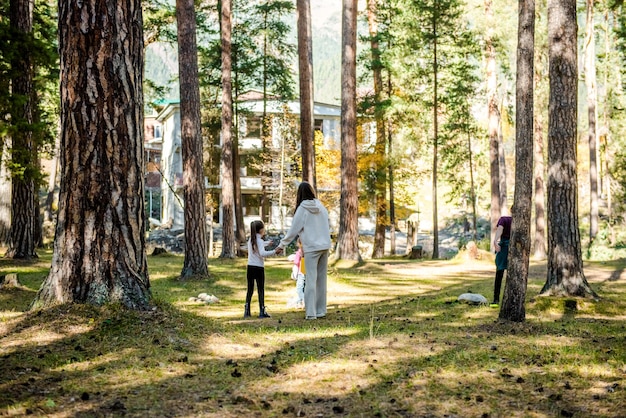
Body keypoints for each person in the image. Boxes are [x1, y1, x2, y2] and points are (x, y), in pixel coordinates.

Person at [276, 182, 331, 320]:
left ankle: (311, 313)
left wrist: (282, 245)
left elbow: (293, 229)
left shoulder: (302, 208)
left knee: (310, 280)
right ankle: (321, 310)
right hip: (324, 246)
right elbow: (327, 225)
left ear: (299, 194)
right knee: (321, 280)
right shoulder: (321, 206)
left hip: (311, 248)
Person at [245, 220, 277, 319]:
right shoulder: (259, 241)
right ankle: (261, 311)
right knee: (260, 289)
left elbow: (259, 245)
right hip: (259, 267)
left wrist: (267, 243)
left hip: (250, 267)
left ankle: (247, 310)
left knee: (250, 289)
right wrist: (274, 251)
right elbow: (262, 253)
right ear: (261, 230)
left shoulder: (251, 240)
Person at [492, 214, 512, 307]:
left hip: (504, 247)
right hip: (515, 248)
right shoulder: (521, 221)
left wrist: (495, 241)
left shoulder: (504, 219)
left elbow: (500, 229)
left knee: (499, 273)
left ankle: (496, 299)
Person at [286, 238, 306, 309]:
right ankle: (304, 300)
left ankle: (303, 300)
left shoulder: (299, 252)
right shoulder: (308, 252)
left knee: (299, 288)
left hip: (301, 272)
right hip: (307, 271)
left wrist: (294, 274)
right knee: (305, 288)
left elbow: (296, 263)